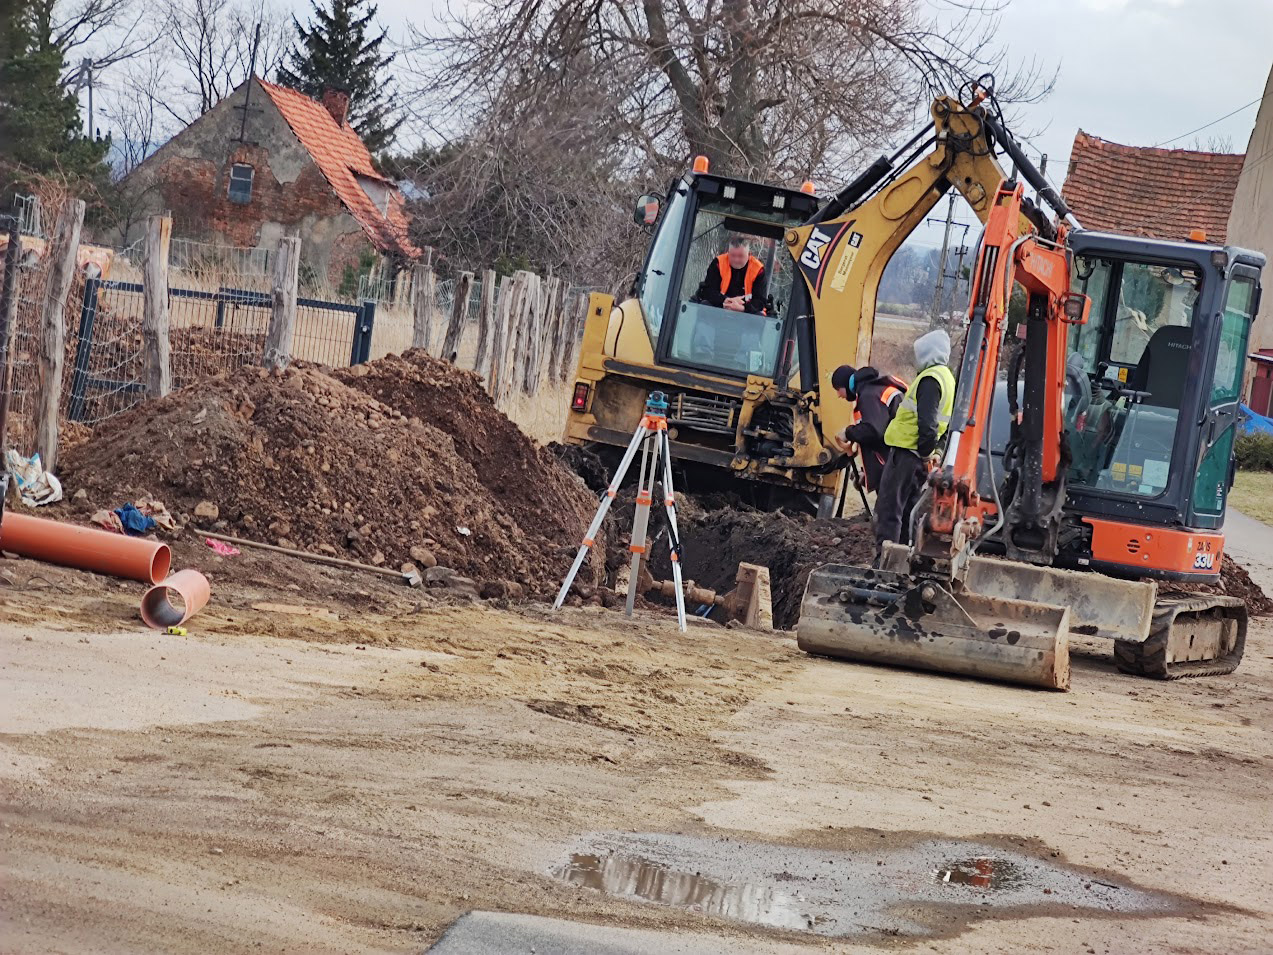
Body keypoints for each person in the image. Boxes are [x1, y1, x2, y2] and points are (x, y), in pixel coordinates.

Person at [876, 329, 956, 549]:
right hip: (917, 458)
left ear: (928, 353)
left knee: (889, 510)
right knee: (908, 512)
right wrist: (933, 452)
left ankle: (885, 559)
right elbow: (945, 424)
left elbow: (927, 424)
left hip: (906, 454)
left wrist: (925, 452)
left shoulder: (930, 379)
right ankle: (904, 557)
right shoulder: (947, 378)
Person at [829, 364, 907, 492]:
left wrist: (848, 433)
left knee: (888, 504)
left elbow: (873, 430)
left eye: (838, 389)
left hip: (895, 467)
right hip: (901, 463)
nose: (838, 395)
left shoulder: (868, 394)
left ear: (845, 384)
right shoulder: (875, 388)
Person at [694, 236, 769, 314]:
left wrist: (743, 308)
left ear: (749, 254)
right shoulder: (718, 263)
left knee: (759, 314)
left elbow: (760, 301)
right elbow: (708, 290)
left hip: (746, 313)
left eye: (741, 256)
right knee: (704, 305)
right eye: (733, 255)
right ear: (728, 253)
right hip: (719, 308)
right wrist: (726, 300)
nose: (736, 260)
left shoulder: (758, 270)